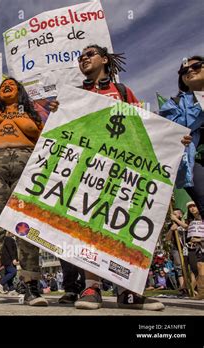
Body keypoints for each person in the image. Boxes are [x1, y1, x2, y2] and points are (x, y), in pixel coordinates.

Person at [54, 44, 164, 311]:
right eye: (80, 57)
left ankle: (129, 290)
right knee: (89, 226)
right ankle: (92, 287)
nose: (83, 59)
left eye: (89, 54)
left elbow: (145, 123)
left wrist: (172, 139)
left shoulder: (123, 91)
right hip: (90, 167)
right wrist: (59, 112)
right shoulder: (76, 95)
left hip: (124, 168)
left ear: (104, 59)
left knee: (124, 227)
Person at [0, 32, 57, 307]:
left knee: (25, 226)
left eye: (11, 83)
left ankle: (30, 287)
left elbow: (53, 139)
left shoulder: (32, 114)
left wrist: (60, 111)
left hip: (26, 166)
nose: (6, 85)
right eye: (2, 84)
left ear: (19, 90)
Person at [160, 56, 204, 218]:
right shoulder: (174, 104)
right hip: (194, 161)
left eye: (197, 66)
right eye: (184, 71)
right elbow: (176, 128)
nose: (190, 71)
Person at [185, 201, 204, 299]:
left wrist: (199, 239)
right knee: (200, 266)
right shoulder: (193, 221)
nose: (192, 208)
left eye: (194, 206)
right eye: (190, 207)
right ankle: (201, 292)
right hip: (200, 248)